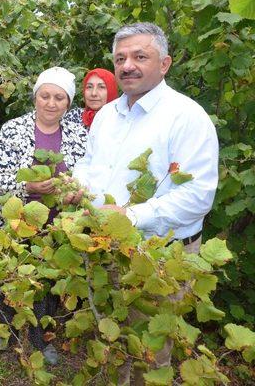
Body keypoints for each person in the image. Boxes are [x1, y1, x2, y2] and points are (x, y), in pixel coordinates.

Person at [70, 22, 219, 384]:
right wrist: (76, 185)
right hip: (107, 247)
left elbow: (197, 195)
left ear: (164, 63)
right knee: (113, 336)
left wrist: (129, 216)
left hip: (160, 254)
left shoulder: (187, 117)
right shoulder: (107, 115)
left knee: (149, 352)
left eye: (140, 56)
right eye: (120, 58)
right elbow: (91, 164)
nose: (127, 65)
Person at [0, 66, 87, 364]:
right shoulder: (14, 129)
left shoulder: (79, 134)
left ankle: (41, 338)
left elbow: (88, 174)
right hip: (16, 221)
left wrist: (76, 189)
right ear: (35, 97)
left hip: (58, 224)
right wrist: (26, 184)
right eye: (45, 96)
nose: (51, 103)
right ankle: (4, 329)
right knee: (8, 275)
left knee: (47, 282)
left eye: (59, 97)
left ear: (68, 103)